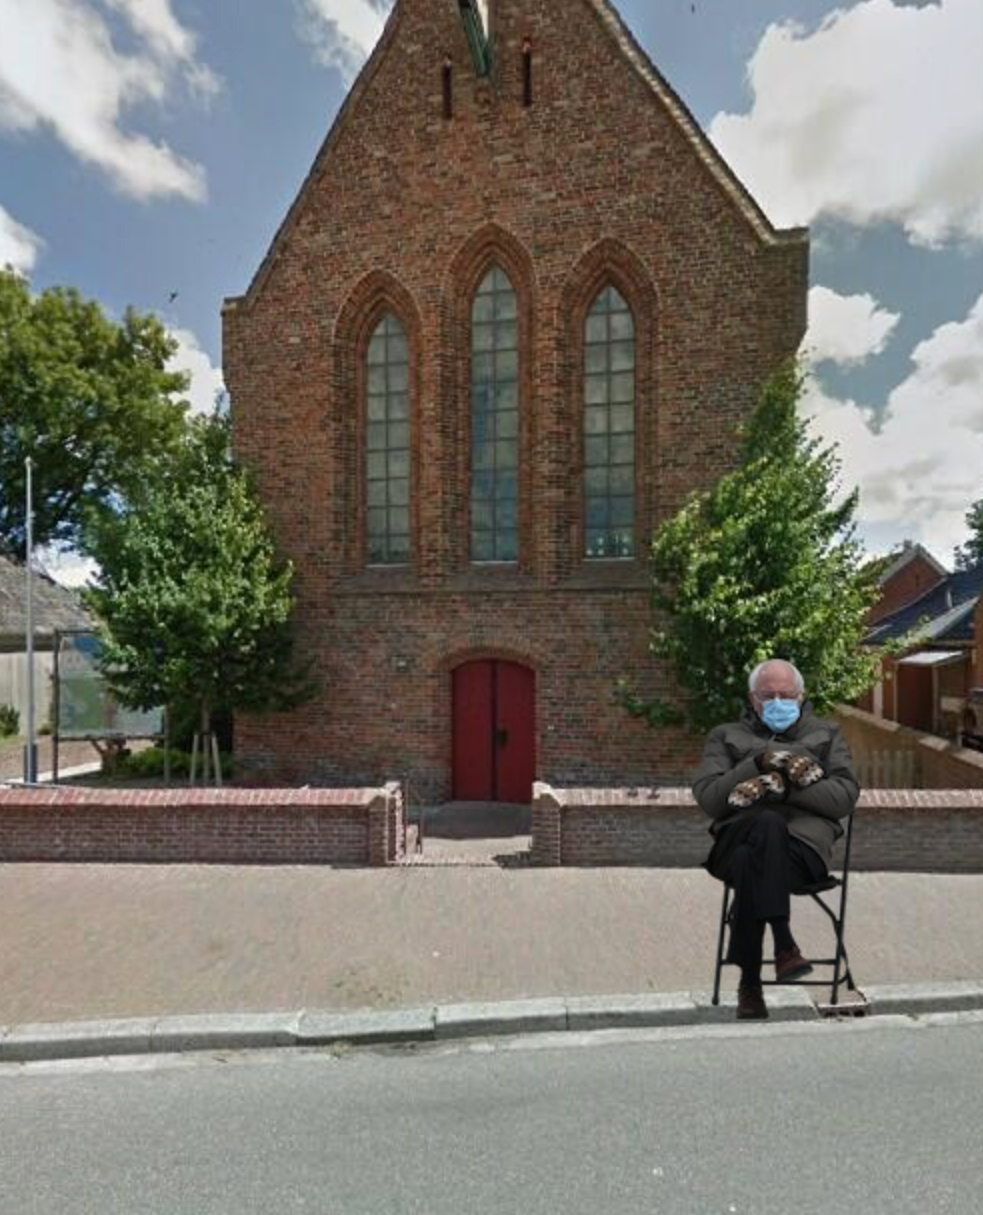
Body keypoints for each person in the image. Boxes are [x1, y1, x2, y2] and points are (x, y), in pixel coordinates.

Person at [692, 658, 860, 1020]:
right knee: (762, 831)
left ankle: (750, 986)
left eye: (786, 694)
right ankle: (784, 943)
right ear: (753, 700)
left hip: (802, 853)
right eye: (768, 696)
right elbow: (710, 799)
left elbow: (843, 799)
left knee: (750, 858)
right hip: (735, 838)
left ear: (801, 696)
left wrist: (782, 788)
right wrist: (756, 764)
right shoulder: (725, 736)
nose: (778, 702)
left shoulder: (827, 734)